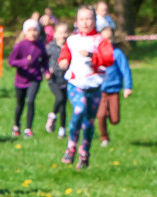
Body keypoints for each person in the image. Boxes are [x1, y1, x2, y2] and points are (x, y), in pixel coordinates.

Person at [59, 5, 113, 170]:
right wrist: (63, 62)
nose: (85, 22)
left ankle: (84, 153)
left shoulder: (100, 40)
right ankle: (71, 147)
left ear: (95, 21)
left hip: (94, 85)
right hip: (75, 83)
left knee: (89, 122)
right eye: (82, 19)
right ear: (76, 22)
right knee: (79, 109)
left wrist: (91, 56)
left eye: (89, 18)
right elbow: (65, 55)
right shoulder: (72, 40)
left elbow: (108, 59)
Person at [9, 19, 48, 138]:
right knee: (20, 104)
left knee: (30, 101)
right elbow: (11, 61)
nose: (33, 33)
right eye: (30, 30)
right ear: (25, 32)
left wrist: (47, 71)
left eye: (35, 30)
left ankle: (28, 129)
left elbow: (45, 61)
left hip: (35, 78)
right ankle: (16, 125)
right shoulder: (20, 46)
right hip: (21, 79)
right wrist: (24, 62)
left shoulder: (40, 46)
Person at [96, 26, 131, 147]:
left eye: (109, 39)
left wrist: (127, 87)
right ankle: (104, 137)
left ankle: (111, 115)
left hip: (114, 90)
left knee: (115, 120)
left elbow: (125, 71)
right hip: (100, 91)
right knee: (100, 115)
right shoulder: (96, 54)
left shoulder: (117, 53)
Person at [45, 22, 69, 138]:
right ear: (54, 34)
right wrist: (46, 71)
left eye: (65, 32)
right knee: (59, 98)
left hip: (66, 79)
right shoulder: (49, 48)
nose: (63, 35)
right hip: (53, 79)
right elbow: (42, 62)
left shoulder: (70, 47)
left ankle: (62, 129)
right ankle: (53, 115)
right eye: (60, 32)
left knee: (63, 104)